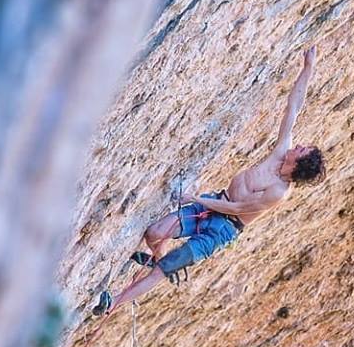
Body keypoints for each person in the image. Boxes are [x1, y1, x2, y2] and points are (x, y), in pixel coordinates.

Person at [93, 46, 325, 317]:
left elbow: (239, 209)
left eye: (302, 150)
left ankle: (112, 304)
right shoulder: (279, 154)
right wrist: (308, 68)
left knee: (165, 268)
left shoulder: (278, 192)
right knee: (154, 234)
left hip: (222, 230)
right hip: (215, 203)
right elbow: (293, 108)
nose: (298, 146)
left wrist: (197, 199)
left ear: (299, 164)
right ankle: (155, 255)